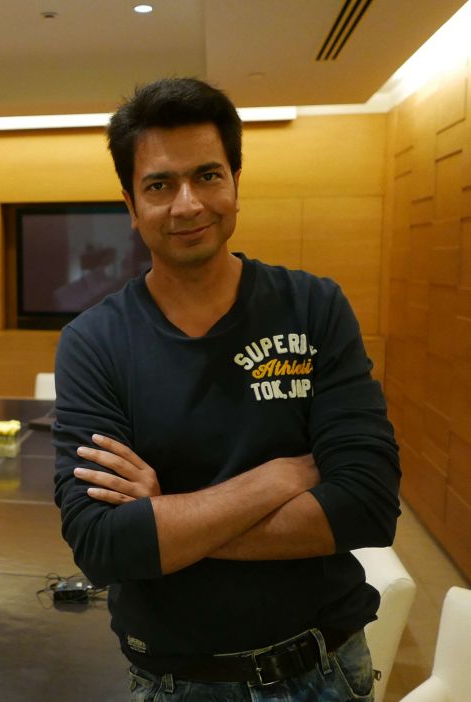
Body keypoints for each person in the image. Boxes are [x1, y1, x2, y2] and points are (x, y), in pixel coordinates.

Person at [52, 77, 400, 701]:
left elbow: (367, 505)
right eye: (160, 185)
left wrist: (165, 519)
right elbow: (101, 545)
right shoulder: (94, 342)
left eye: (207, 176)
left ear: (235, 183)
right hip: (178, 682)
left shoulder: (314, 307)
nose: (187, 205)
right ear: (131, 205)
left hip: (325, 666)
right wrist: (278, 478)